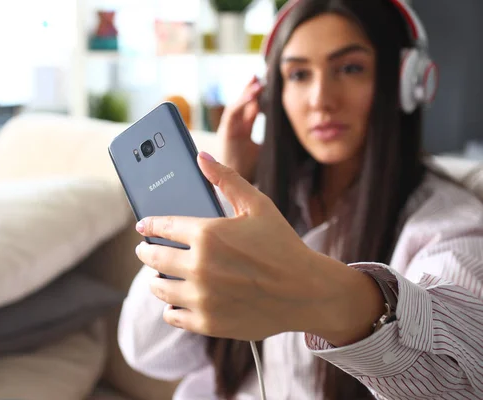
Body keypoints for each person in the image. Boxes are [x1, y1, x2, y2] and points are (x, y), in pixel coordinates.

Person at [117, 0, 483, 399]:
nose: (320, 99)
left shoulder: (448, 226)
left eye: (350, 68)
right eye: (299, 74)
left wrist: (326, 297)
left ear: (406, 80)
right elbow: (148, 351)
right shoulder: (260, 202)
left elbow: (463, 378)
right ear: (272, 95)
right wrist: (219, 195)